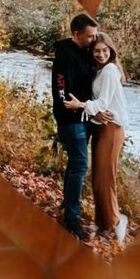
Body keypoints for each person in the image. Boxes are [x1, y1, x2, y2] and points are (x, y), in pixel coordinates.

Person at [51, 14, 113, 241]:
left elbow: (105, 65)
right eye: (89, 36)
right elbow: (60, 88)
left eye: (94, 34)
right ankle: (73, 220)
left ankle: (68, 207)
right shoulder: (65, 55)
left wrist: (92, 110)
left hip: (84, 118)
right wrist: (72, 110)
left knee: (75, 165)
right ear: (76, 34)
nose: (93, 39)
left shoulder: (85, 53)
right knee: (79, 166)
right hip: (71, 120)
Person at [64, 32, 128, 243]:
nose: (101, 54)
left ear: (111, 51)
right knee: (99, 177)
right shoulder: (99, 70)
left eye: (105, 51)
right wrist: (93, 109)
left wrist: (80, 105)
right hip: (101, 127)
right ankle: (103, 222)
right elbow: (99, 103)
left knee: (105, 177)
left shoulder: (109, 71)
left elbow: (101, 104)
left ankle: (114, 224)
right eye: (97, 51)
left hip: (111, 128)